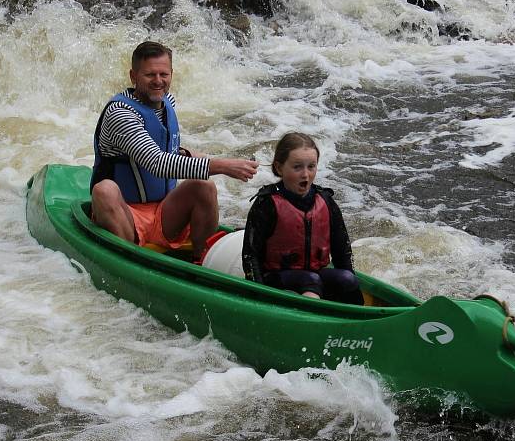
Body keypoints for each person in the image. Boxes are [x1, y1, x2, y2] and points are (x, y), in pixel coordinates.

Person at [90, 41, 258, 260]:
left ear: (172, 74)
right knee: (104, 190)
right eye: (150, 75)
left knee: (204, 186)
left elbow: (172, 151)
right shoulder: (120, 113)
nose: (158, 81)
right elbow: (158, 163)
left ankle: (201, 259)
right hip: (125, 213)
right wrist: (223, 167)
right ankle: (128, 261)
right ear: (133, 76)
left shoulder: (167, 102)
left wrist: (228, 161)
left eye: (164, 74)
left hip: (162, 211)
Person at [242, 132, 364, 305]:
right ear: (279, 168)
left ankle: (359, 321)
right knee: (310, 280)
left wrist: (349, 282)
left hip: (314, 275)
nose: (305, 175)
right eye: (297, 167)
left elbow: (342, 251)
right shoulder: (266, 204)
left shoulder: (326, 201)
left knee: (347, 279)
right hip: (275, 279)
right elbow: (250, 255)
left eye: (311, 167)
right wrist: (258, 295)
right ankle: (313, 322)